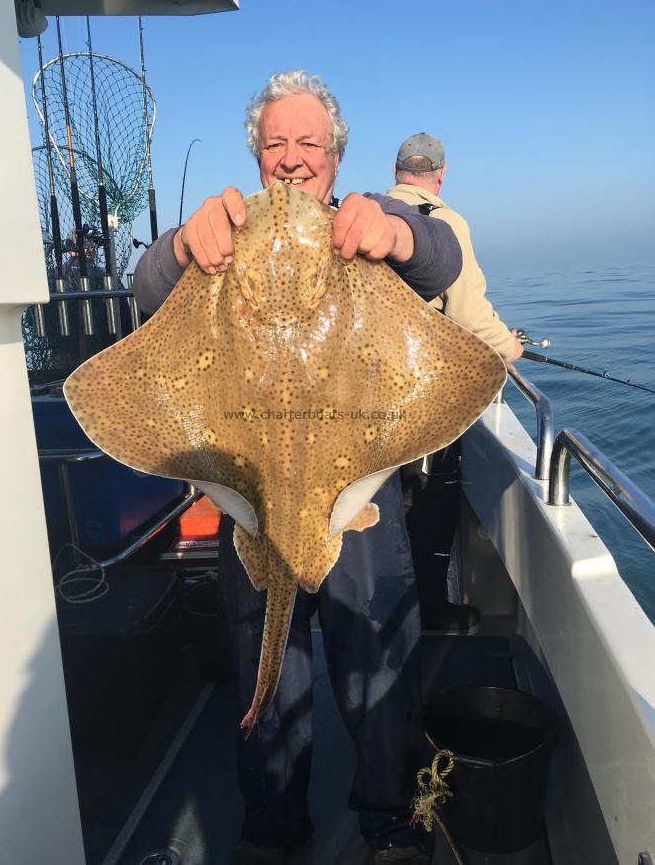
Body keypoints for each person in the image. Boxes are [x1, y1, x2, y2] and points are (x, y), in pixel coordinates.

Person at [133, 72, 464, 865]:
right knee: (268, 673)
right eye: (274, 143)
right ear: (255, 155)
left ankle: (390, 822)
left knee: (373, 664)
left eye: (307, 143)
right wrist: (182, 245)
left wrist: (399, 235)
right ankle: (270, 827)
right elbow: (144, 288)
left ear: (335, 156)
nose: (290, 159)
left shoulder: (369, 216)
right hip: (251, 496)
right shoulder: (225, 227)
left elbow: (440, 259)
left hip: (353, 493)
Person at [387, 133, 523, 633]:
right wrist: (508, 348)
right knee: (429, 507)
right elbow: (468, 313)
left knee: (383, 512)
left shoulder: (369, 216)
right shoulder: (444, 221)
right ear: (440, 174)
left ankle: (377, 607)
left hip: (370, 401)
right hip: (428, 400)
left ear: (397, 170)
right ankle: (427, 612)